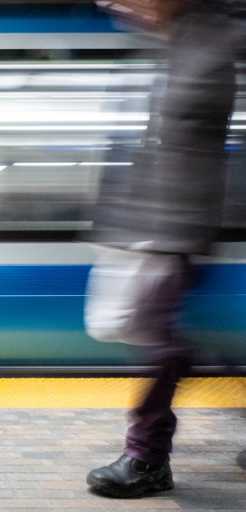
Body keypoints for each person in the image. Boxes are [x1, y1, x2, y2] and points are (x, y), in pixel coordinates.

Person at [83, 0, 244, 499]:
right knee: (164, 336)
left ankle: (147, 458)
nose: (111, 4)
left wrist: (161, 229)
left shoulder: (216, 38)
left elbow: (184, 144)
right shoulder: (176, 39)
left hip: (182, 223)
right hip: (171, 225)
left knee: (163, 340)